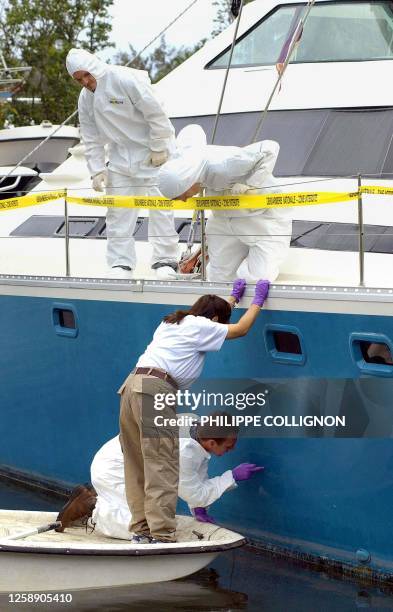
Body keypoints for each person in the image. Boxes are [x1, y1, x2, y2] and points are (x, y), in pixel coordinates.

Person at [118, 277, 269, 544]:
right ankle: (162, 536)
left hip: (131, 387)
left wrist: (232, 299)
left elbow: (211, 317)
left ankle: (141, 532)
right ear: (213, 318)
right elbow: (240, 329)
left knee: (137, 464)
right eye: (221, 321)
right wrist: (258, 301)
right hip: (156, 391)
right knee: (162, 465)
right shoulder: (202, 325)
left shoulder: (172, 322)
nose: (220, 329)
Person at [65, 48, 179, 279]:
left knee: (161, 208)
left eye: (87, 75)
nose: (85, 82)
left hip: (153, 154)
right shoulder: (85, 99)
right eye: (78, 79)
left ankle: (165, 261)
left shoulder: (125, 79)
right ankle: (120, 264)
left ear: (94, 67)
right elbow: (90, 135)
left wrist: (158, 147)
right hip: (119, 157)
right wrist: (96, 169)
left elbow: (156, 113)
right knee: (117, 211)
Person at [55, 413, 264, 538]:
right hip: (115, 471)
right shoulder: (184, 450)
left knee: (158, 517)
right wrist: (232, 476)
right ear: (211, 443)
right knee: (145, 530)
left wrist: (198, 510)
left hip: (125, 464)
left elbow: (194, 474)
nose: (231, 450)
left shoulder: (196, 425)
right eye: (228, 447)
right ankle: (93, 507)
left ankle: (97, 496)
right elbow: (194, 489)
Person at [158, 124, 292, 283]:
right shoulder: (190, 165)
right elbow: (191, 133)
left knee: (256, 279)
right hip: (224, 219)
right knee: (218, 279)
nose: (184, 200)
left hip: (264, 219)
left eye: (181, 195)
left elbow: (270, 148)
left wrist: (252, 184)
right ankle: (223, 304)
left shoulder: (225, 164)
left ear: (187, 182)